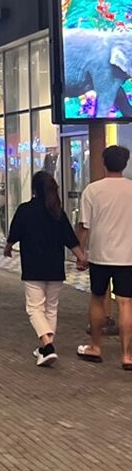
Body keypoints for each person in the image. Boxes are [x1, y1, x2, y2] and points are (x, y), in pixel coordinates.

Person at [4, 171, 87, 366]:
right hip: (55, 267)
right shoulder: (57, 212)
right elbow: (70, 239)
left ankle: (47, 346)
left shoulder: (25, 210)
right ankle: (46, 347)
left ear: (34, 189)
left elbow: (14, 233)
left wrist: (8, 247)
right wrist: (82, 258)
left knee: (34, 308)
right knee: (51, 308)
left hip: (33, 267)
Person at [76, 143, 132, 368]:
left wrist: (80, 253)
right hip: (128, 256)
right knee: (126, 303)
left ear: (103, 163)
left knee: (98, 299)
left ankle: (95, 347)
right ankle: (126, 355)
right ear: (125, 164)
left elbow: (84, 225)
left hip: (99, 255)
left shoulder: (92, 190)